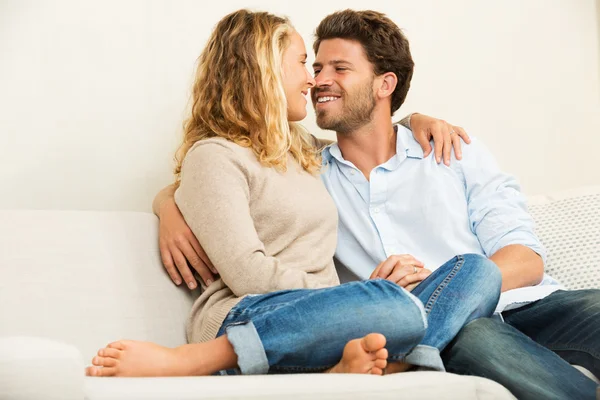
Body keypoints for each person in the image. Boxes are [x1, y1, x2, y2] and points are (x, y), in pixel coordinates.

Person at [155, 9, 600, 400]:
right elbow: (222, 168)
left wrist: (445, 286)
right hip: (447, 329)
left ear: (385, 83)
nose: (318, 80)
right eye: (314, 65)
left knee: (513, 283)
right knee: (474, 337)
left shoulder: (451, 149)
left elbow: (526, 258)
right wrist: (167, 204)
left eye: (339, 68)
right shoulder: (311, 166)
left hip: (527, 303)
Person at [85, 9, 501, 378]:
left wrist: (411, 119)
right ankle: (195, 360)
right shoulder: (214, 155)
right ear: (263, 69)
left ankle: (394, 360)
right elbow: (248, 274)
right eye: (303, 63)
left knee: (478, 271)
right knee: (392, 306)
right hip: (252, 315)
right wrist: (353, 296)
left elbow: (367, 131)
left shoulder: (301, 151)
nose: (312, 78)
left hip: (330, 320)